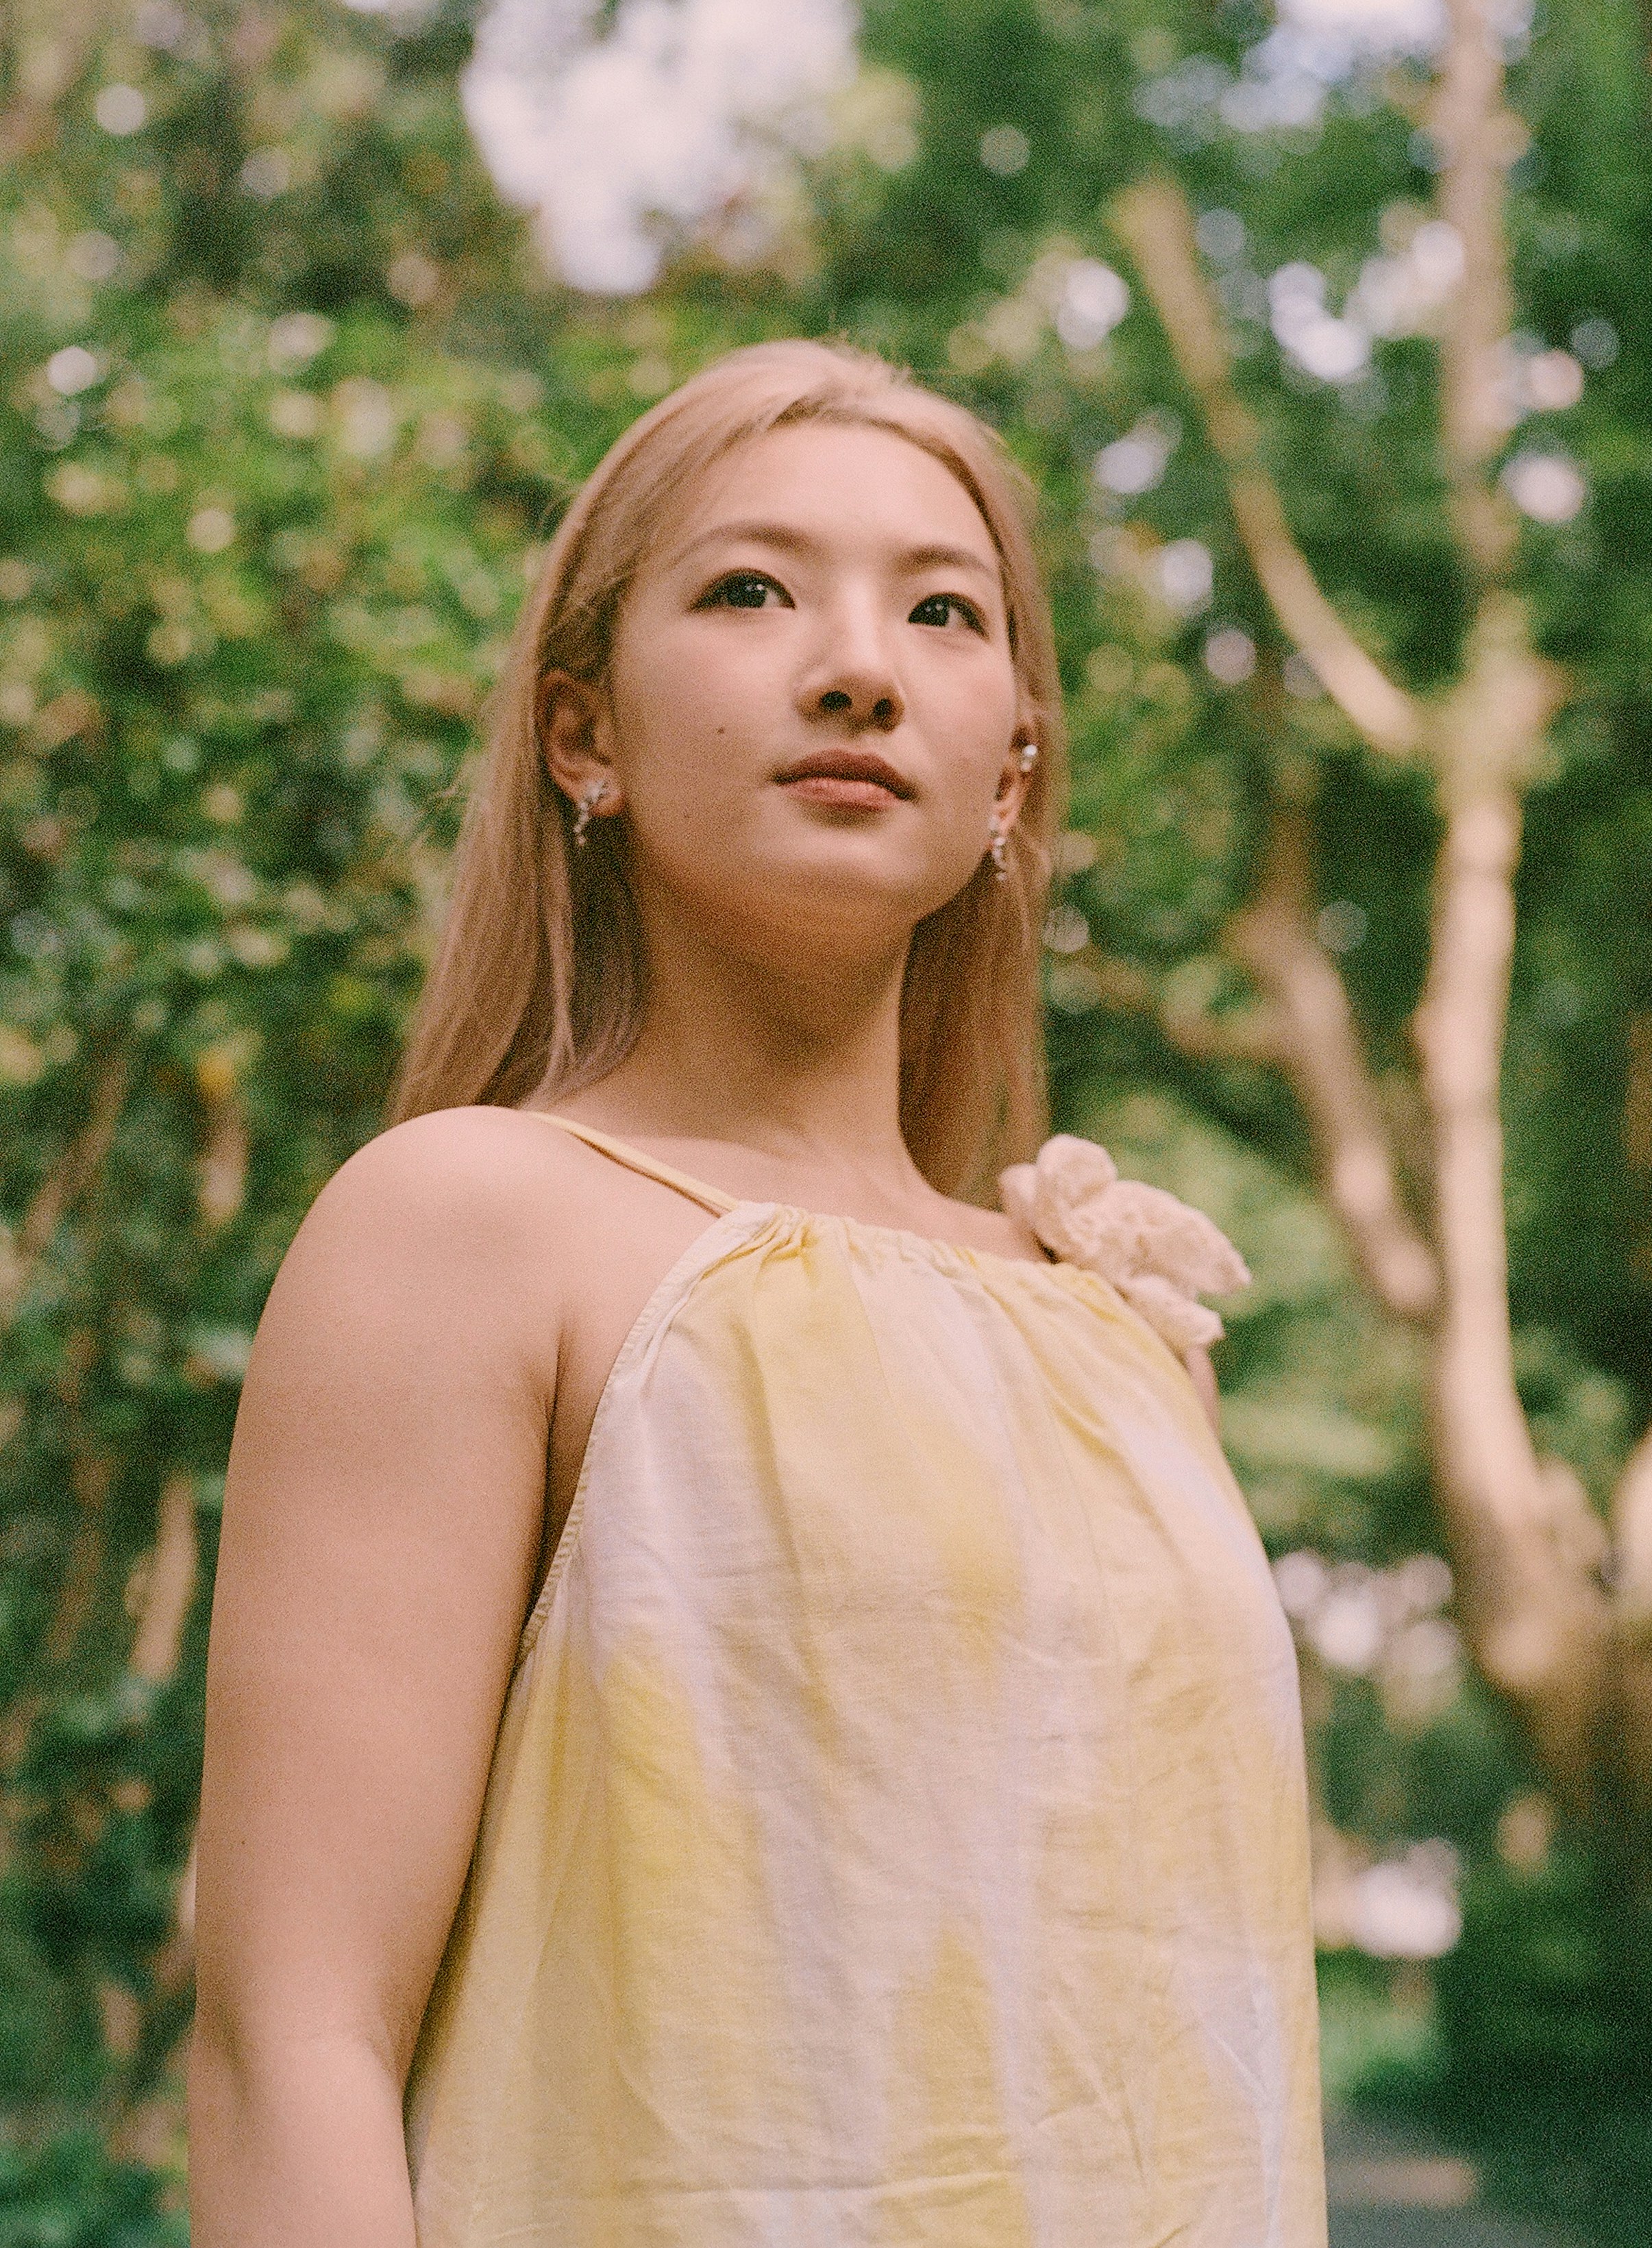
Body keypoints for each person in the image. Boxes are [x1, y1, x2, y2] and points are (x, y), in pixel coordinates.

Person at [188, 341, 1325, 2247]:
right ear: (584, 734)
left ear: (1010, 769)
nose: (858, 663)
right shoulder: (467, 1226)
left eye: (940, 610)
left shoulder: (1115, 1325)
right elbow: (291, 2033)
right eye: (748, 588)